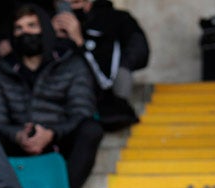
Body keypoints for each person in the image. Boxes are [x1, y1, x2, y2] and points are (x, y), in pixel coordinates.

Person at [0, 4, 102, 188]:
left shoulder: (70, 63)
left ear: (45, 28)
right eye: (19, 28)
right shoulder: (2, 70)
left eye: (32, 25)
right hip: (18, 142)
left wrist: (51, 133)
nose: (25, 32)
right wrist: (19, 136)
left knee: (90, 129)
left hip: (59, 139)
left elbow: (81, 110)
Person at [51, 0, 149, 129]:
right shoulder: (45, 22)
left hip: (104, 95)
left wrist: (79, 42)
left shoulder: (114, 20)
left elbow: (106, 76)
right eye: (63, 4)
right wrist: (50, 37)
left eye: (75, 3)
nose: (69, 9)